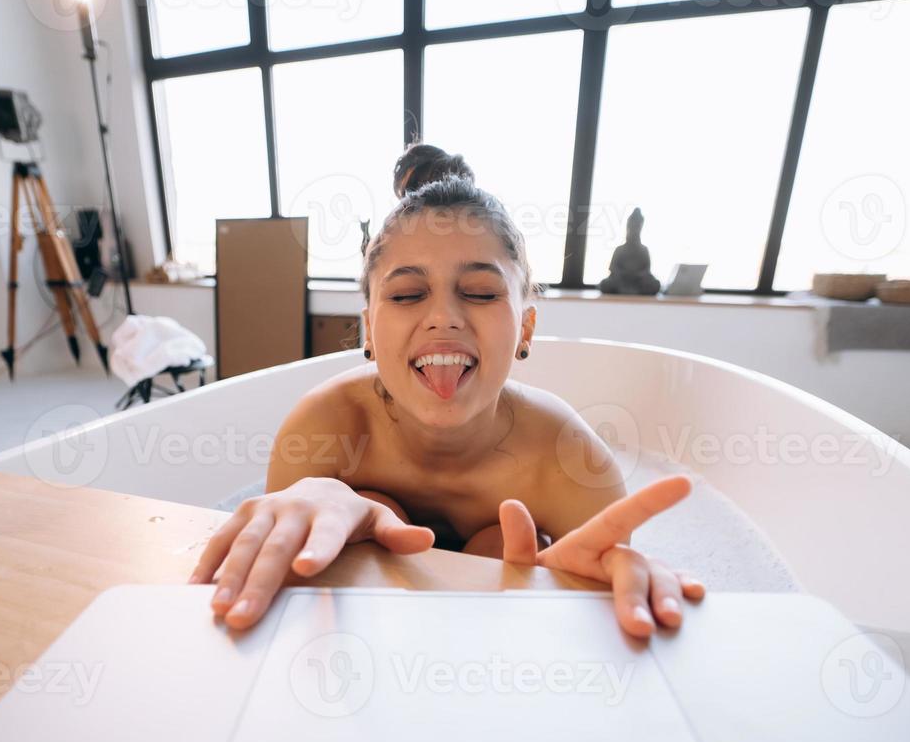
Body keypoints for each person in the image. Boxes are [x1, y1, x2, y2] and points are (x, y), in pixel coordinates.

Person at [190, 145, 705, 644]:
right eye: (408, 295)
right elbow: (280, 606)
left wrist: (560, 598)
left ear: (525, 330)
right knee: (357, 506)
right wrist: (310, 499)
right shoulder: (323, 433)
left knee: (502, 543)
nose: (442, 317)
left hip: (495, 631)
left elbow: (601, 587)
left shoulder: (568, 461)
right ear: (368, 330)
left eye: (480, 293)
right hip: (367, 646)